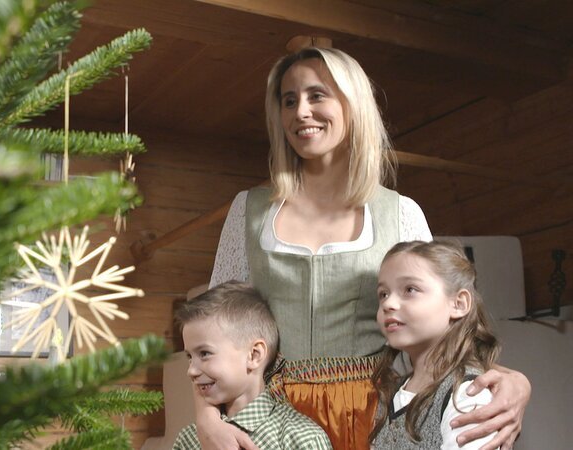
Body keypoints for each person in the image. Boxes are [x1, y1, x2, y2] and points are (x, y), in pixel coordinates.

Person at [202, 47, 529, 450]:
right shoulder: (247, 211)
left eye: (316, 95)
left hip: (371, 415)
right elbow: (212, 331)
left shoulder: (400, 212)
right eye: (289, 100)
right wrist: (207, 418)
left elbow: (445, 322)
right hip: (270, 418)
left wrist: (512, 380)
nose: (300, 111)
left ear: (352, 104)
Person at [370, 241, 500, 449]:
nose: (388, 304)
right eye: (383, 294)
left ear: (458, 304)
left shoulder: (467, 395)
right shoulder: (391, 393)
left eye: (410, 289)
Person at [173, 281, 332, 449]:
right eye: (189, 357)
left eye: (204, 354)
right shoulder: (188, 440)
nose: (191, 371)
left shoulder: (303, 439)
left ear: (254, 355)